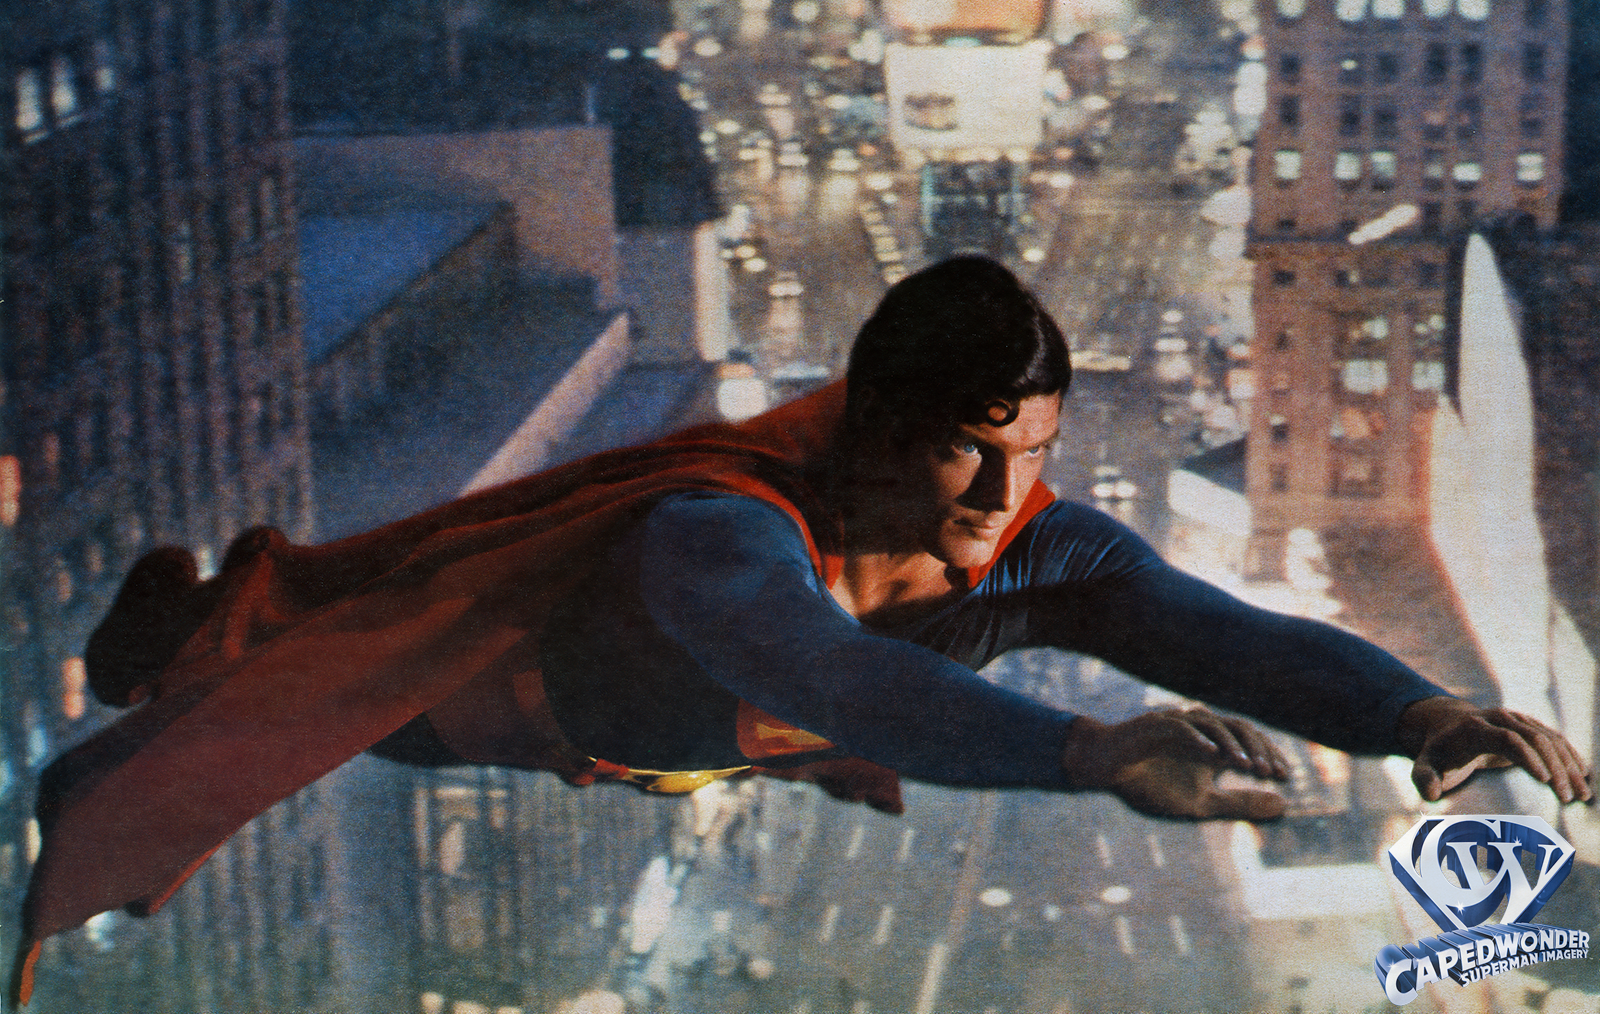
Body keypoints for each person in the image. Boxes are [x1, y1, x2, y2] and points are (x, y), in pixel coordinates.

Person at [10, 256, 1590, 1005]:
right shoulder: (719, 530)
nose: (1005, 491)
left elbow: (1206, 626)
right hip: (495, 700)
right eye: (967, 447)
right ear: (877, 425)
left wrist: (1414, 712)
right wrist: (1090, 752)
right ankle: (196, 625)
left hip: (680, 743)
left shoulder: (1027, 539)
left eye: (1033, 449)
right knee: (275, 675)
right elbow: (828, 673)